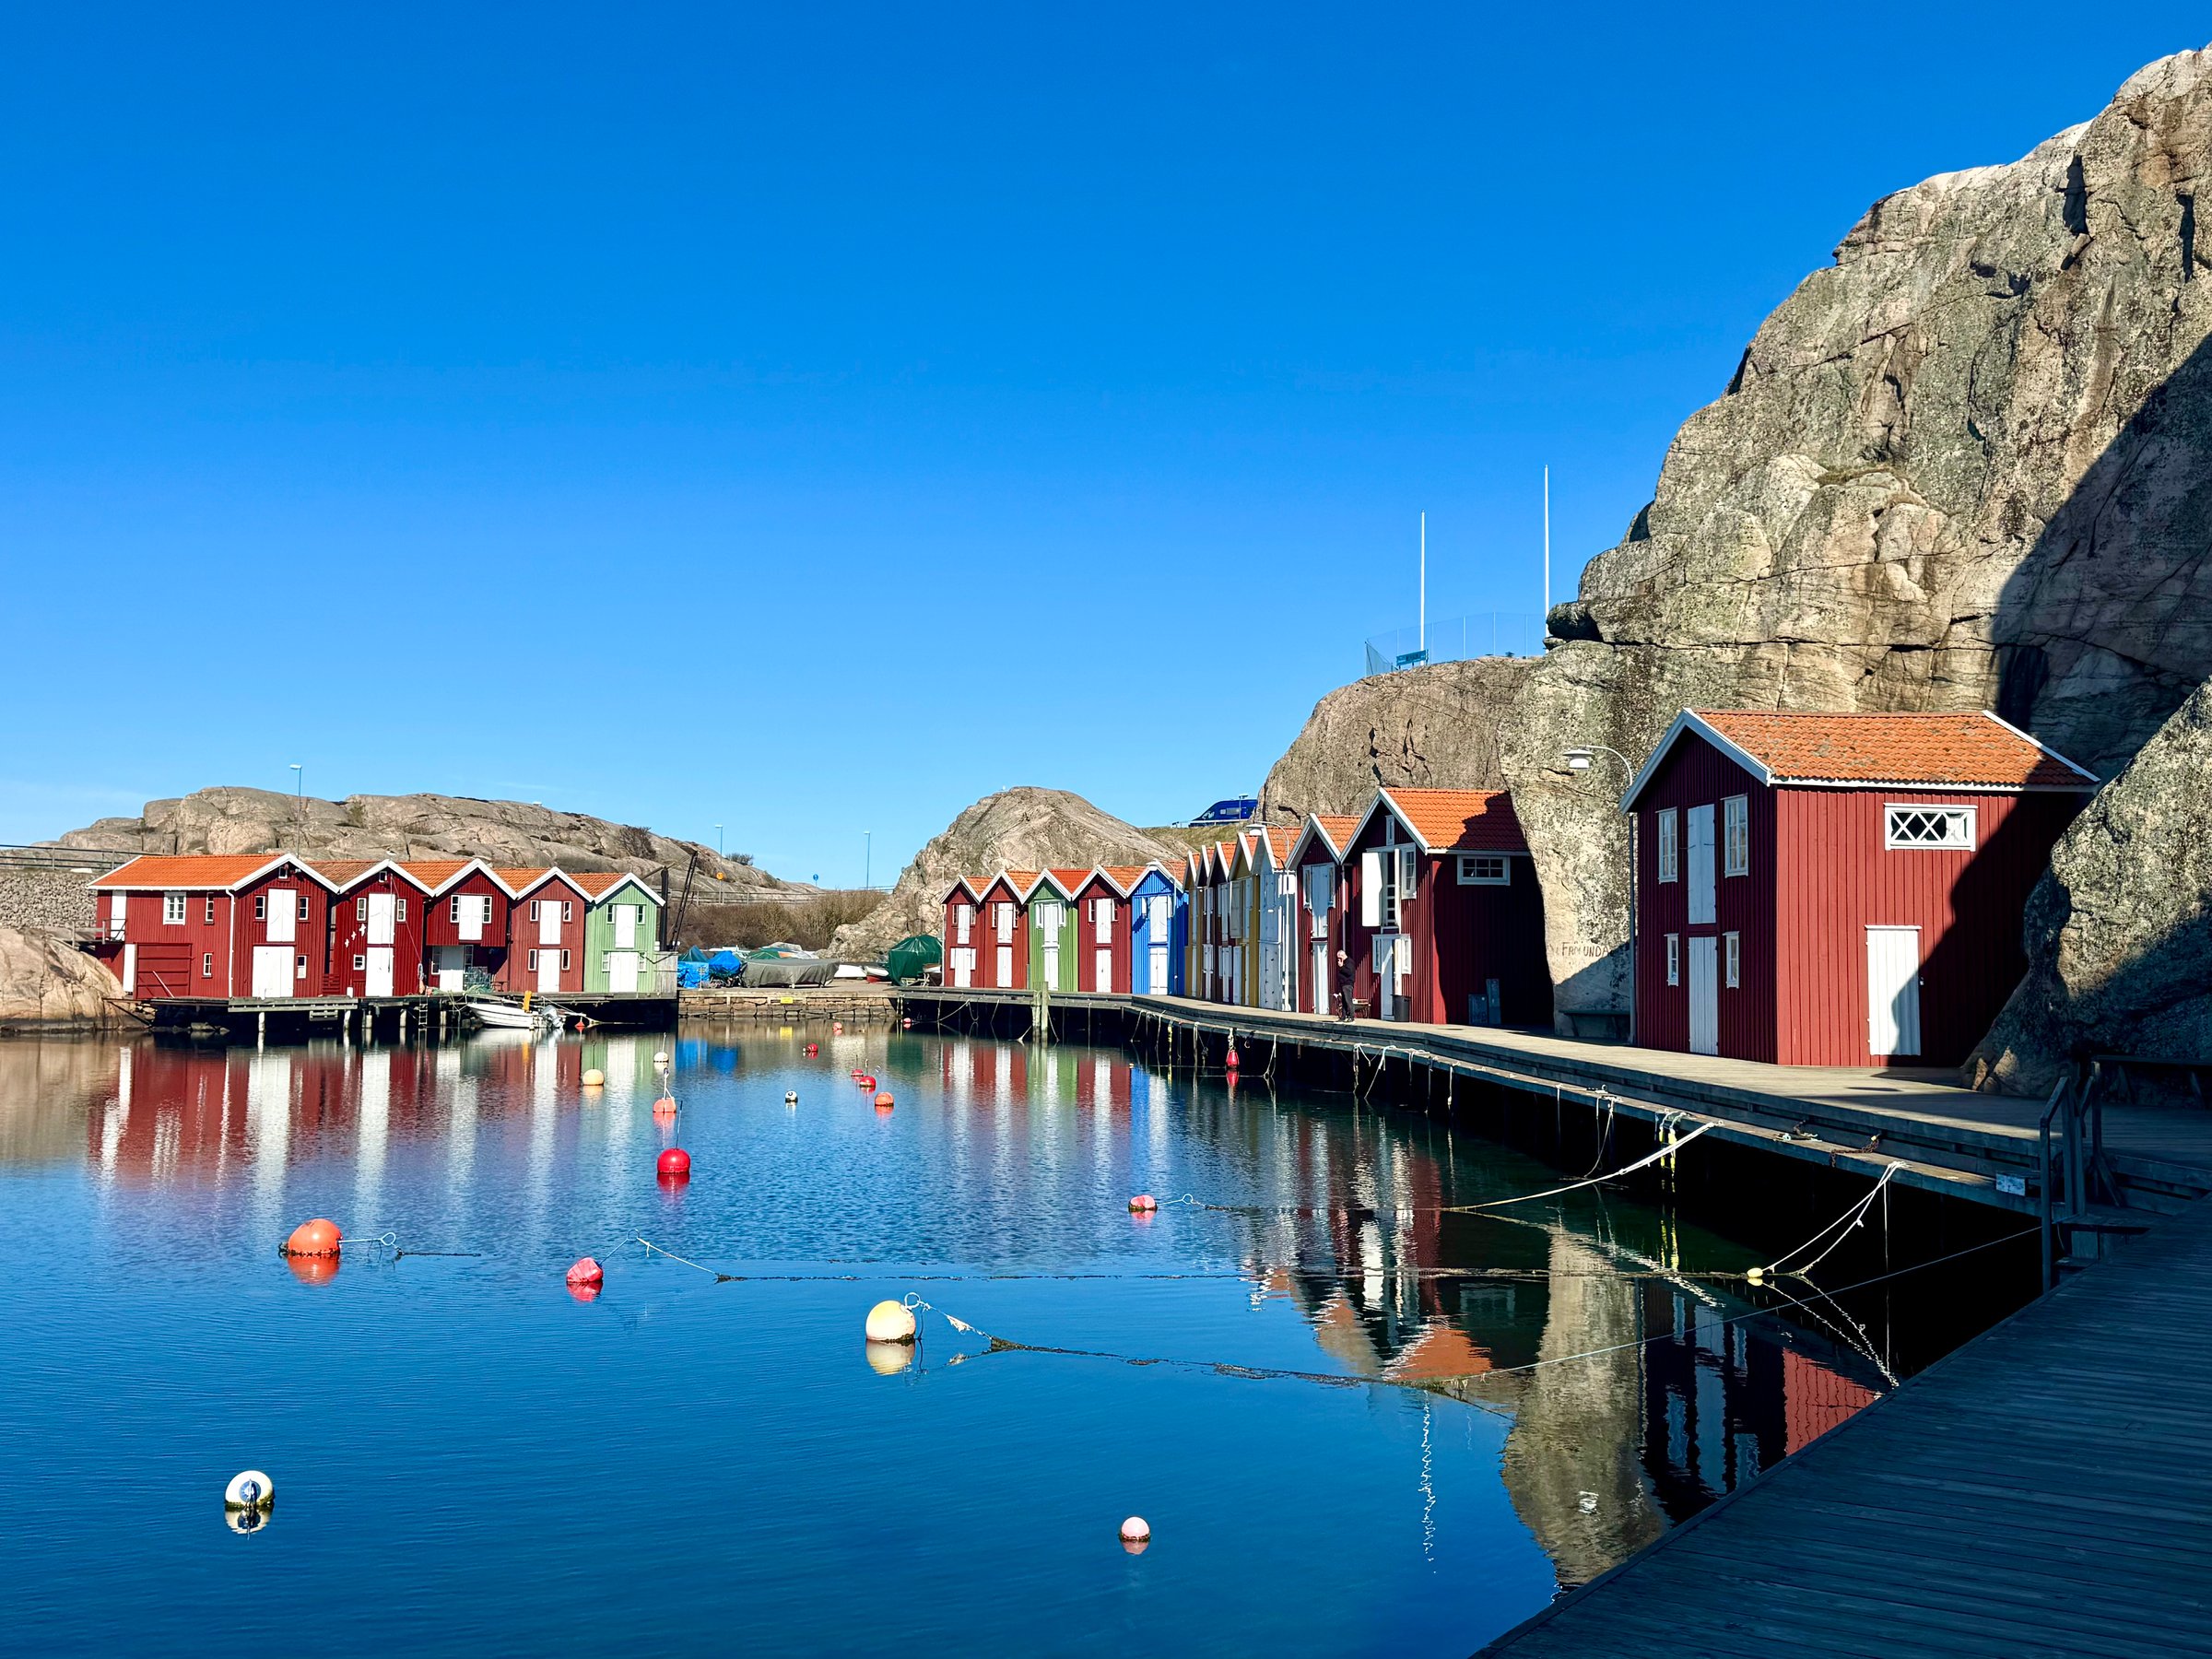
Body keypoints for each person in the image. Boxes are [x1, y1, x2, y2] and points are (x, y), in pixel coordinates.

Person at [1335, 947, 1357, 1022]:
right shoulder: (1344, 963)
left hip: (1348, 984)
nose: (1339, 960)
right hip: (1343, 984)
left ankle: (1352, 1017)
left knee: (1348, 1000)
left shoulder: (1349, 962)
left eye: (1339, 958)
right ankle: (1343, 1017)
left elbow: (1349, 972)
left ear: (1343, 955)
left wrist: (1341, 967)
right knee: (1343, 1001)